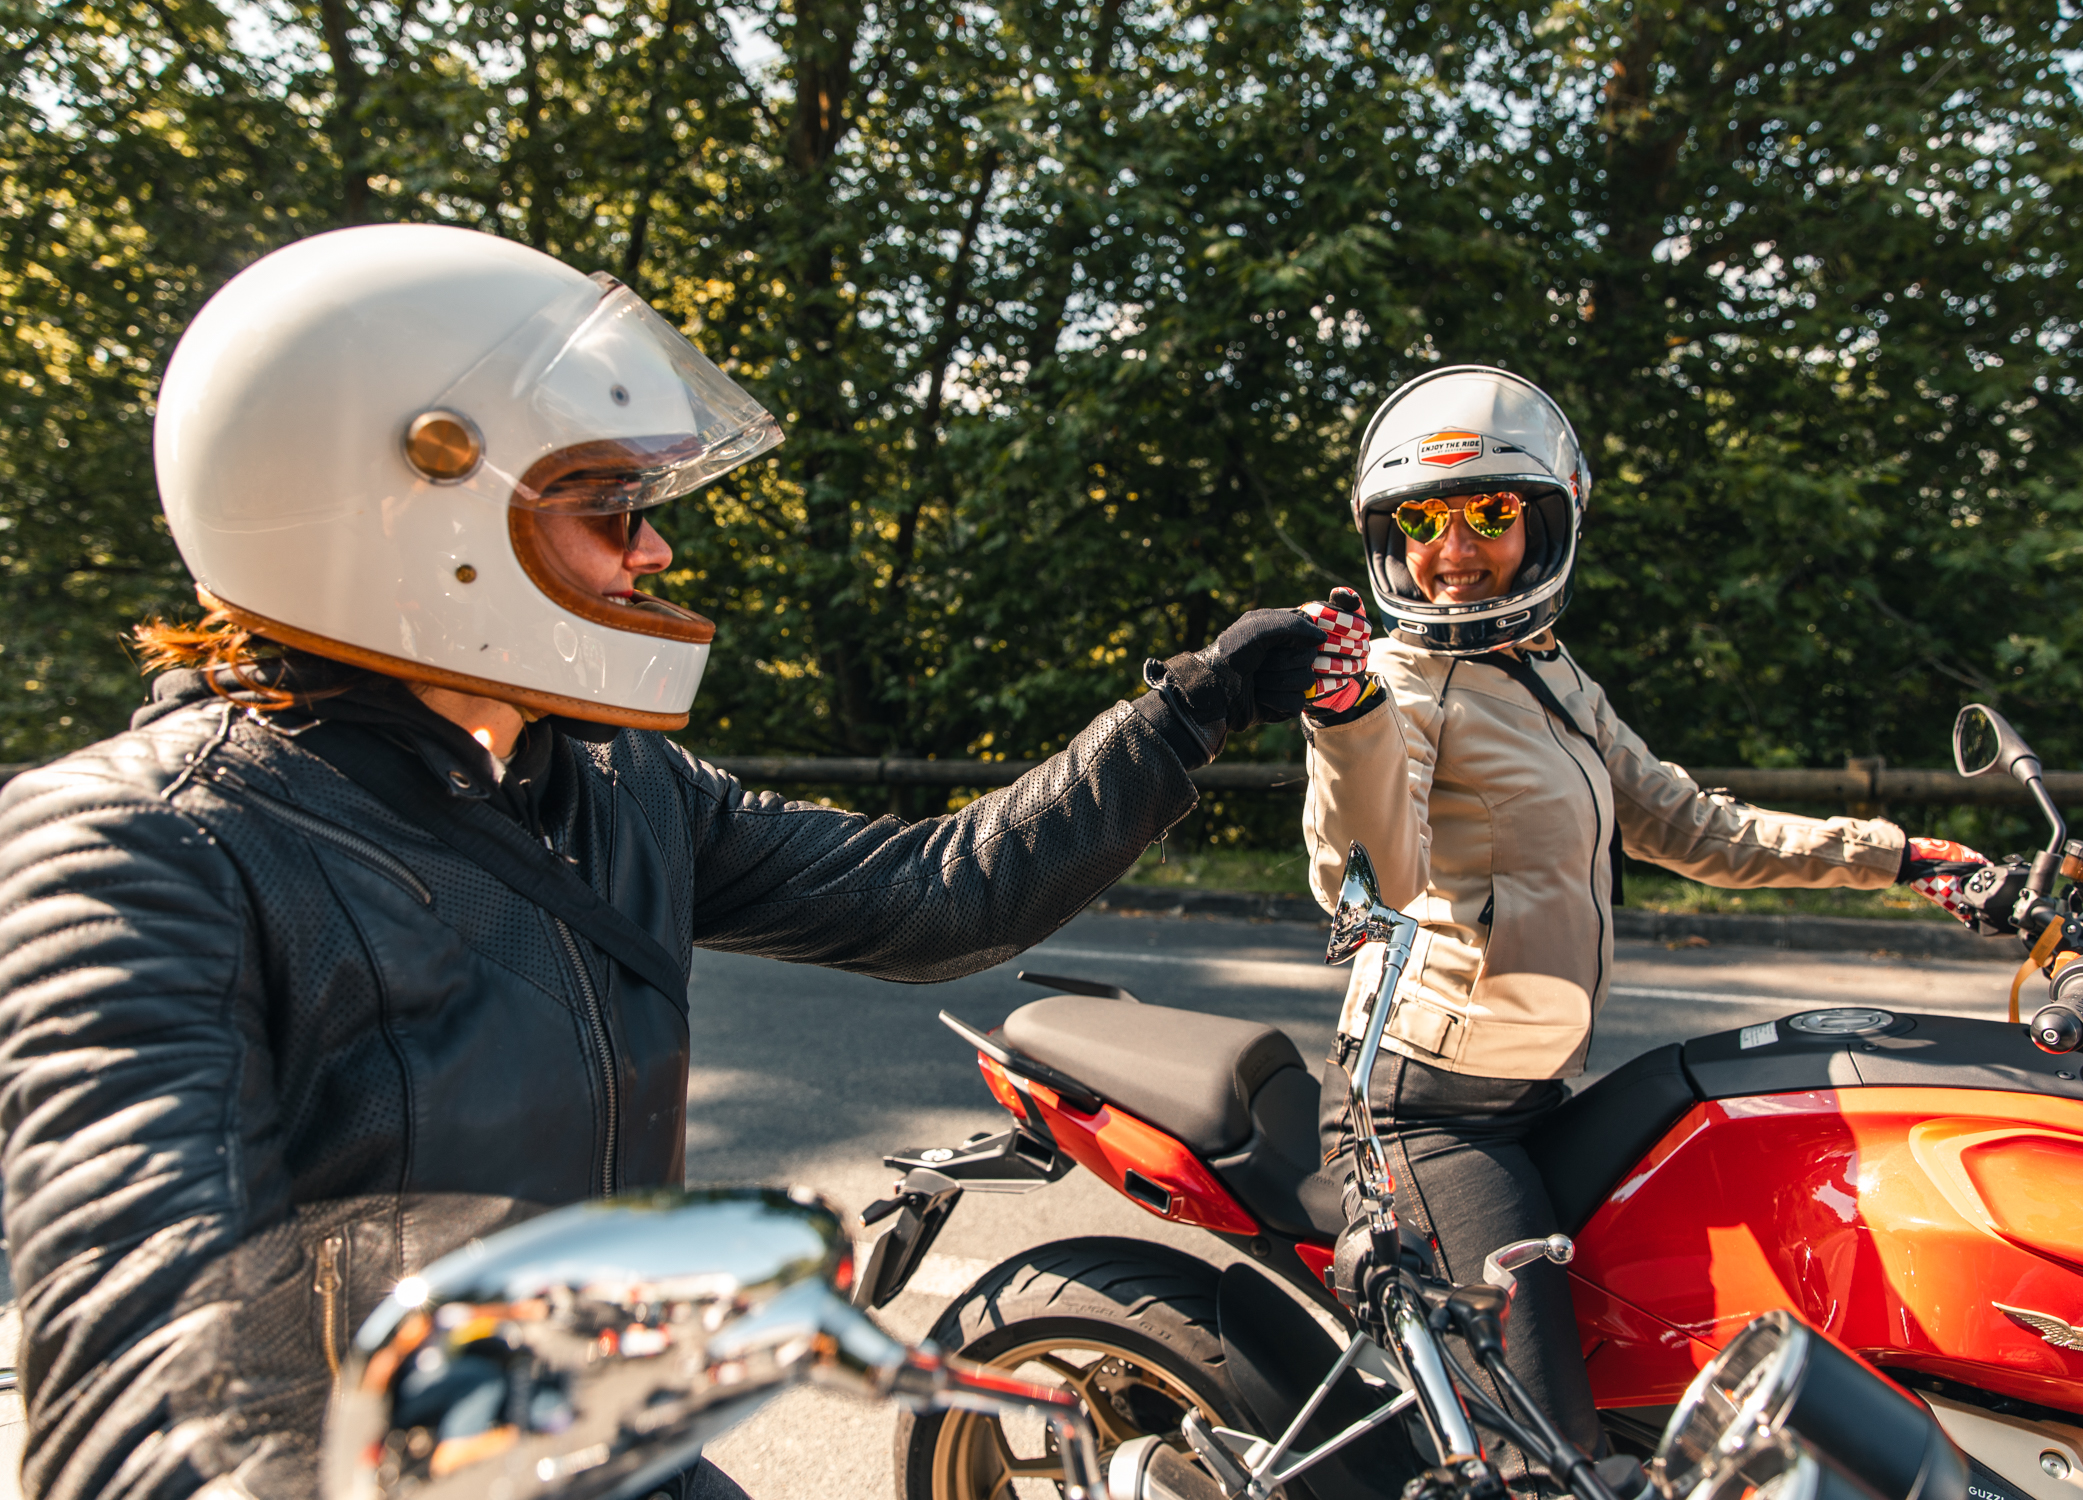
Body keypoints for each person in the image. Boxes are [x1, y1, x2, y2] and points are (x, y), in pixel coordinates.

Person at [0, 223, 1324, 1500]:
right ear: (405, 520)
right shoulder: (142, 855)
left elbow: (931, 899)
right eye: (608, 503)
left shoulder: (613, 790)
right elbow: (156, 1418)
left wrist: (1181, 716)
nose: (655, 551)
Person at [1296, 365, 1978, 1490]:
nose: (1452, 549)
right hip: (1426, 1121)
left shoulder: (1545, 671)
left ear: (1549, 519)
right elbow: (1364, 875)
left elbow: (1686, 822)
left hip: (1530, 1093)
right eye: (1421, 520)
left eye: (1490, 513)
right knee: (1541, 1464)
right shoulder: (1397, 688)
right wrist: (1344, 721)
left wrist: (1894, 854)